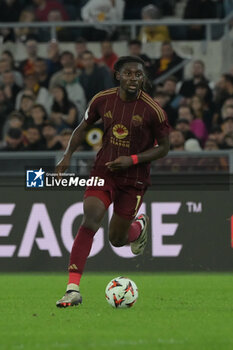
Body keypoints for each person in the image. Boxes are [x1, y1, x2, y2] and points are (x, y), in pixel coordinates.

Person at [55, 55, 170, 307]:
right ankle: (72, 289)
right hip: (103, 171)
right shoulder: (102, 99)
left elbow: (164, 147)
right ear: (118, 75)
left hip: (134, 179)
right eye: (128, 73)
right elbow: (82, 127)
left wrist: (133, 159)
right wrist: (67, 156)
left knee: (117, 239)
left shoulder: (153, 110)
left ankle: (138, 227)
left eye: (138, 75)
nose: (133, 78)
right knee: (90, 219)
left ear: (143, 78)